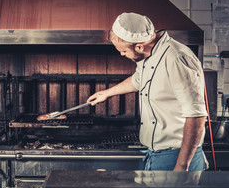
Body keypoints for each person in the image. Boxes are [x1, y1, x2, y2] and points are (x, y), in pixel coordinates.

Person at [87, 12, 208, 171]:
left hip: (177, 157)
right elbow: (138, 80)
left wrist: (181, 166)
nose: (123, 55)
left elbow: (196, 115)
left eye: (123, 52)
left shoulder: (177, 58)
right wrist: (107, 93)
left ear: (139, 46)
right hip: (155, 155)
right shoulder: (148, 54)